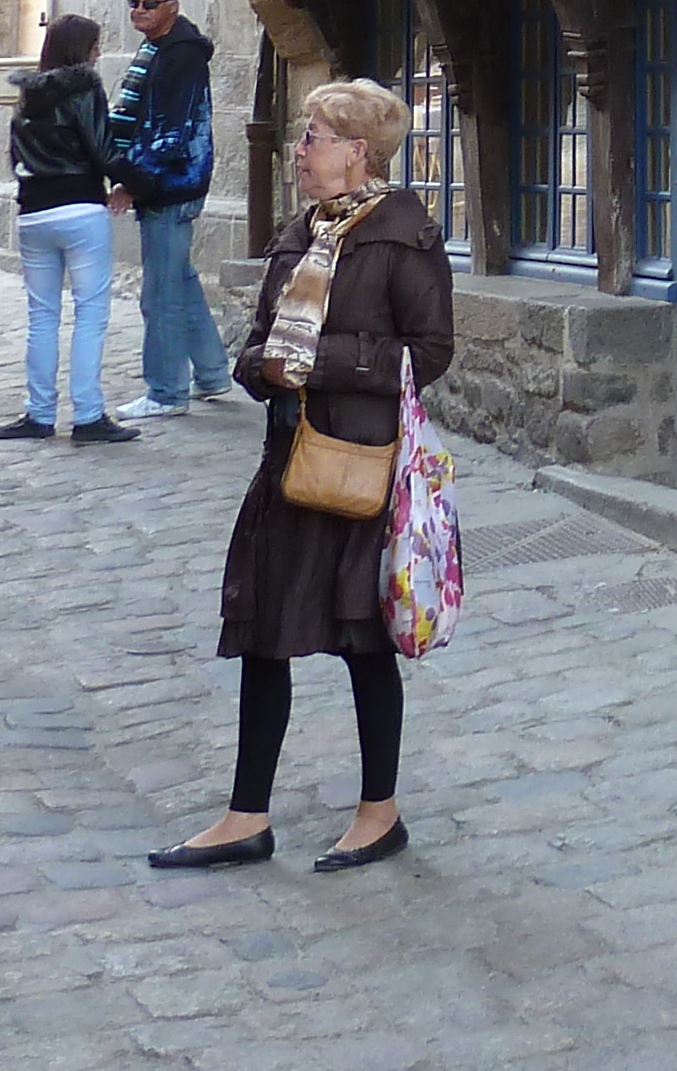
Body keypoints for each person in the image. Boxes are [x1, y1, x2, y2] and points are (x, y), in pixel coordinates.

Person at [149, 78, 452, 874]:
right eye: (302, 135)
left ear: (358, 152)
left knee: (362, 638)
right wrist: (261, 368)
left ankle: (378, 813)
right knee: (264, 634)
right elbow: (259, 340)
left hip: (359, 463)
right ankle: (246, 816)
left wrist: (319, 363)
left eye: (314, 135)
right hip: (288, 457)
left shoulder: (402, 234)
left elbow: (429, 354)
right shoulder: (301, 231)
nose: (300, 149)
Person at [0, 17, 141, 445]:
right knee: (90, 315)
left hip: (34, 211)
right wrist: (134, 183)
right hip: (79, 207)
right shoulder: (85, 88)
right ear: (82, 49)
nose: (98, 54)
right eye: (95, 46)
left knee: (42, 317)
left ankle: (39, 413)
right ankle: (89, 414)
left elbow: (15, 156)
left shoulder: (27, 96)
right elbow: (102, 147)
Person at [106, 0, 236, 422]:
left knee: (159, 293)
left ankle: (166, 391)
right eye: (134, 2)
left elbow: (172, 130)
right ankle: (214, 373)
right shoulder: (155, 48)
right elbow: (133, 114)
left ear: (172, 7)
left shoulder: (180, 56)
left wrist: (134, 181)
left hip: (171, 183)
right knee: (180, 280)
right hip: (165, 181)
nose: (139, 11)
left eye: (149, 3)